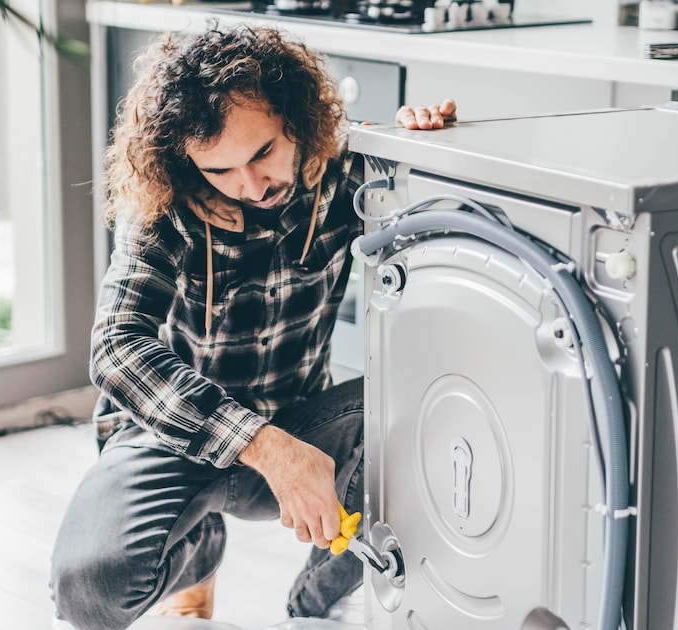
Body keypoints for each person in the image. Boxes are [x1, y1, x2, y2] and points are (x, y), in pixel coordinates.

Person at [49, 22, 456, 630]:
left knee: (417, 413)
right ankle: (198, 551)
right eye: (220, 170)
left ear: (298, 118)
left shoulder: (347, 172)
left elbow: (440, 210)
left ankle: (313, 611)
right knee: (88, 590)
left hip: (303, 419)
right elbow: (114, 348)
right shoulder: (166, 206)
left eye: (262, 152)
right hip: (174, 439)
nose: (250, 186)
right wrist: (264, 447)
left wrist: (423, 145)